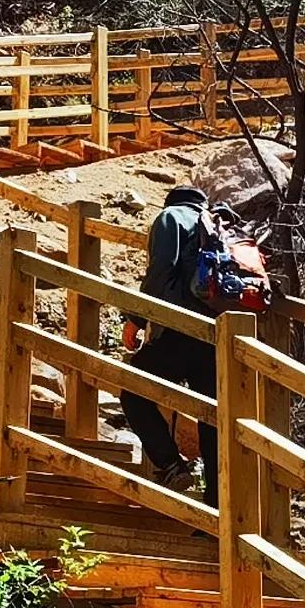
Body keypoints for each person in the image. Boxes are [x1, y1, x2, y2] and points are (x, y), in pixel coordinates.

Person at [116, 186, 224, 497]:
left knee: (134, 389)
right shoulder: (216, 224)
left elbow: (161, 269)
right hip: (217, 336)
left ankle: (171, 466)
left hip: (179, 331)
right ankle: (215, 507)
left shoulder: (171, 217)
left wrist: (136, 319)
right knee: (211, 419)